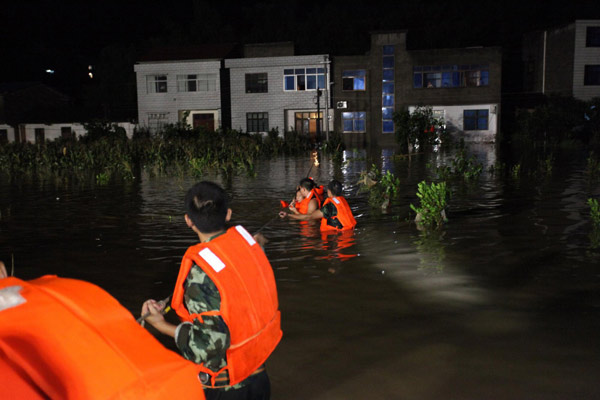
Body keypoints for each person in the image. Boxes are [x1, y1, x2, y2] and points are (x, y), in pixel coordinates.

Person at [142, 181, 282, 400]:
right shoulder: (253, 249)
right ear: (228, 214)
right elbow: (230, 288)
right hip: (260, 380)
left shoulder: (201, 275)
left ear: (188, 221)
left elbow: (208, 345)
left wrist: (161, 325)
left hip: (226, 389)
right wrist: (167, 302)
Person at [280, 179, 357, 231]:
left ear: (329, 191)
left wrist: (288, 215)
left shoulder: (329, 207)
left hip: (338, 237)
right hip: (348, 232)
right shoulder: (342, 201)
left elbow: (309, 217)